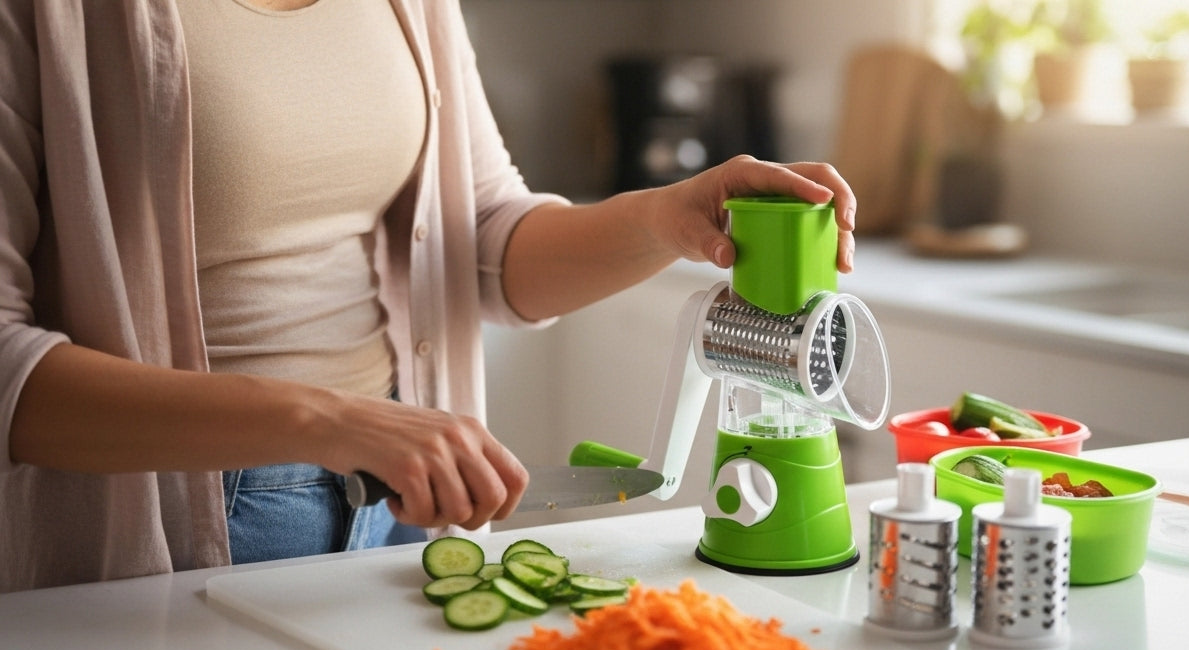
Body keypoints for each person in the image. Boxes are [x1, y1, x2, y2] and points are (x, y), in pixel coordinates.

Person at [0, 0, 856, 592]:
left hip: (404, 506)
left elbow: (482, 234)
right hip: (180, 522)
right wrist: (324, 419)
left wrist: (665, 218)